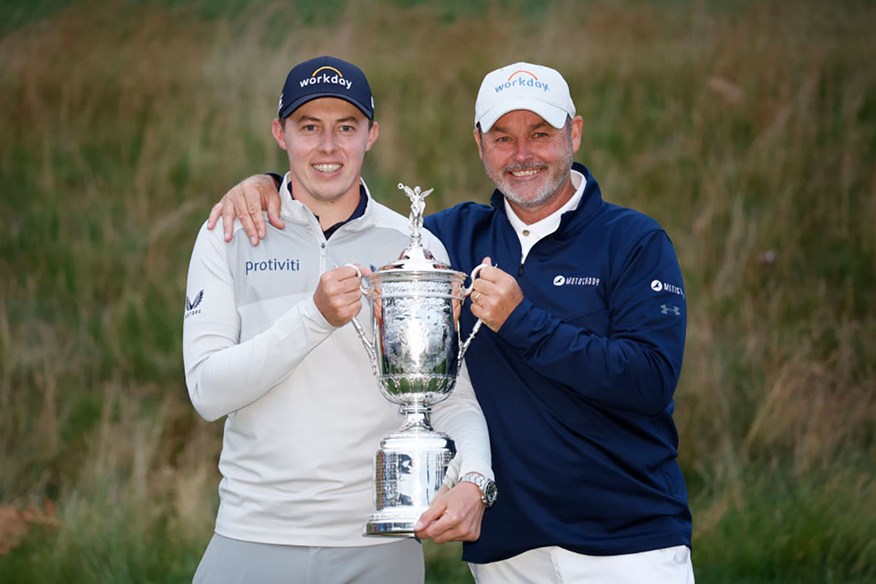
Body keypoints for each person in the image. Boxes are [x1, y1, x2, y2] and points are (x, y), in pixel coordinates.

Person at [209, 61, 694, 583]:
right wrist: (264, 186)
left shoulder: (633, 241)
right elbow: (348, 207)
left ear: (573, 132)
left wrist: (523, 321)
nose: (523, 154)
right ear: (480, 143)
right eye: (503, 137)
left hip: (628, 544)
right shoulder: (449, 241)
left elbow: (648, 380)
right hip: (506, 549)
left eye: (540, 134)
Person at [183, 55, 494, 584]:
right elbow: (207, 391)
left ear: (371, 135)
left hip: (378, 546)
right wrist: (314, 317)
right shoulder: (228, 233)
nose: (328, 147)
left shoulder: (413, 246)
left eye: (345, 127)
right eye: (310, 127)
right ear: (280, 134)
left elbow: (450, 397)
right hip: (252, 537)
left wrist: (475, 479)